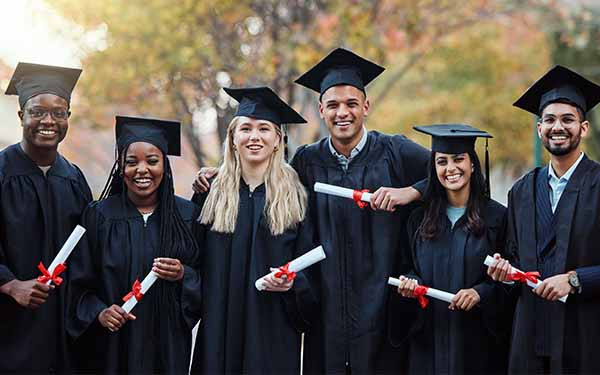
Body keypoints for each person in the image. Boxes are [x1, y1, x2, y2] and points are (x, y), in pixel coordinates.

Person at [193, 48, 430, 374]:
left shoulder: (394, 151)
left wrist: (409, 192)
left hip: (381, 299)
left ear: (366, 106)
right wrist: (218, 174)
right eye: (332, 105)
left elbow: (453, 174)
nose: (342, 112)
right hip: (328, 307)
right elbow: (263, 178)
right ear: (321, 110)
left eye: (351, 103)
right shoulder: (307, 160)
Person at [190, 86, 317, 374]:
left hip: (271, 333)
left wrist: (293, 284)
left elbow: (310, 273)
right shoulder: (209, 195)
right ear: (233, 139)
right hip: (218, 333)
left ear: (277, 140)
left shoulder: (297, 199)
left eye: (264, 129)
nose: (254, 136)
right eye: (245, 129)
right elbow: (192, 264)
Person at [67, 116, 202, 374]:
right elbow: (79, 283)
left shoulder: (187, 217)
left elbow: (208, 279)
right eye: (131, 162)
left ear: (165, 166)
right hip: (110, 348)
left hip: (166, 347)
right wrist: (99, 312)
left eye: (152, 161)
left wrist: (183, 274)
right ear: (120, 167)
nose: (142, 170)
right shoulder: (99, 216)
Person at [487, 65, 600, 374]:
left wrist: (575, 280)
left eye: (567, 119)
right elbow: (513, 258)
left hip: (586, 336)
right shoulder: (521, 191)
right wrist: (504, 270)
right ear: (539, 129)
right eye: (549, 120)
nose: (557, 127)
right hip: (530, 337)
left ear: (584, 127)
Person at [395, 124, 511, 374]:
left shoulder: (498, 218)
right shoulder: (417, 220)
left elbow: (509, 283)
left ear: (472, 164)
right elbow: (406, 267)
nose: (450, 169)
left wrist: (481, 292)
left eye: (458, 159)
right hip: (427, 346)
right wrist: (410, 284)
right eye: (441, 162)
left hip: (478, 349)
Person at [0, 62, 92, 373]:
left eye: (58, 112)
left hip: (63, 329)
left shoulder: (74, 178)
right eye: (37, 111)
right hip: (10, 328)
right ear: (21, 116)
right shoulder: (1, 172)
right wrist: (11, 285)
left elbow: (90, 247)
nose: (48, 121)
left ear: (68, 118)